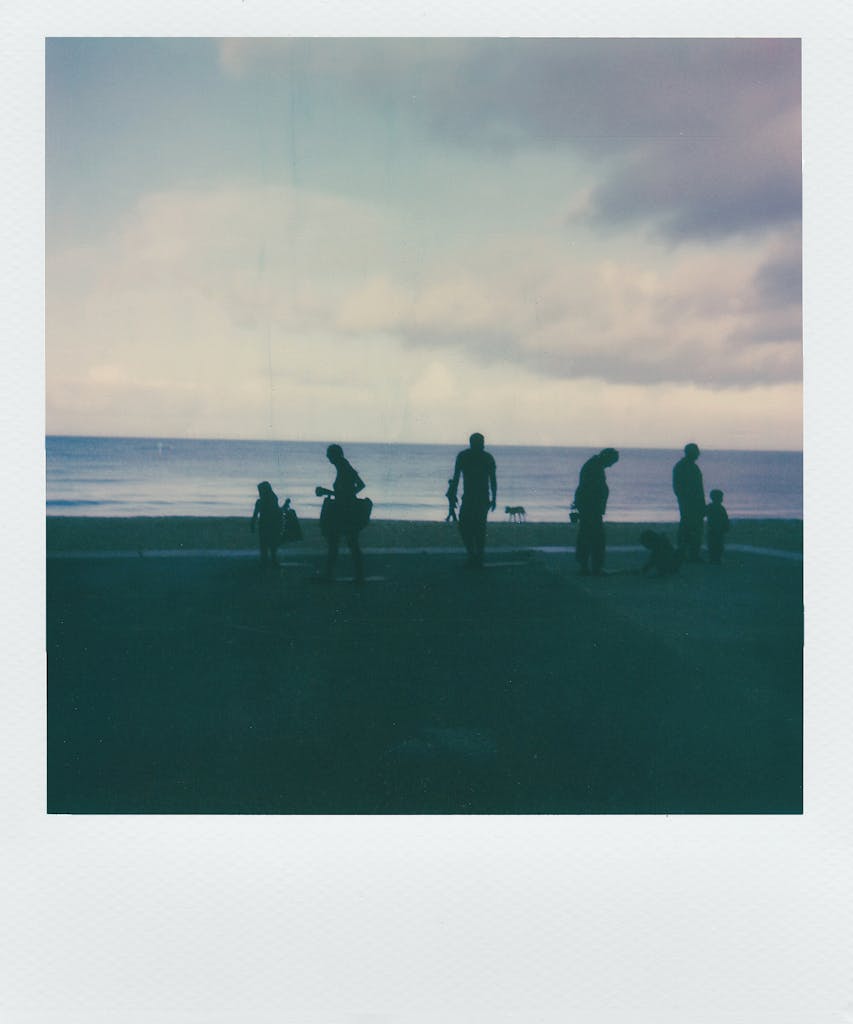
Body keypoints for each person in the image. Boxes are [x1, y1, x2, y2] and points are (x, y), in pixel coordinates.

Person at [315, 444, 368, 583]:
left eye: (329, 454)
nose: (327, 457)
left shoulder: (344, 468)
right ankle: (357, 575)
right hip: (347, 509)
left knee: (338, 542)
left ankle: (331, 575)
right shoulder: (345, 467)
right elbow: (360, 486)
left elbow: (346, 492)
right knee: (349, 543)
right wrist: (349, 496)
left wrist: (328, 492)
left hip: (344, 511)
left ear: (335, 455)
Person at [448, 432, 497, 567]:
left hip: (479, 498)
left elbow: (492, 480)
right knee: (469, 526)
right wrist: (452, 495)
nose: (483, 445)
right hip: (473, 498)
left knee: (476, 527)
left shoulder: (477, 457)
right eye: (481, 442)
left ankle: (476, 555)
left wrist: (494, 498)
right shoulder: (471, 457)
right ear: (475, 443)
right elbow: (457, 477)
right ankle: (474, 554)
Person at [571, 448, 619, 576]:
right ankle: (593, 567)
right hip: (591, 508)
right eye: (612, 462)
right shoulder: (594, 467)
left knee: (587, 536)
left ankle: (587, 566)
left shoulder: (593, 465)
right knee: (595, 538)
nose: (611, 465)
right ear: (606, 457)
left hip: (590, 508)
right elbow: (589, 489)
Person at [673, 442, 706, 562]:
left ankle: (689, 553)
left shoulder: (688, 466)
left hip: (691, 503)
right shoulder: (684, 466)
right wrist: (687, 500)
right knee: (690, 528)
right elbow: (679, 487)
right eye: (696, 451)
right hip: (690, 504)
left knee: (690, 528)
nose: (698, 454)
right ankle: (688, 554)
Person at [250, 480, 283, 568]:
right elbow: (278, 511)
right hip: (271, 525)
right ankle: (272, 561)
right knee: (272, 544)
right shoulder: (272, 499)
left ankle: (266, 561)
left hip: (265, 525)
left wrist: (252, 524)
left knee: (265, 544)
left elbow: (255, 514)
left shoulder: (261, 502)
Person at [705, 489, 730, 565]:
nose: (722, 499)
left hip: (713, 529)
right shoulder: (721, 508)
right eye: (721, 497)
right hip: (716, 529)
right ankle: (715, 558)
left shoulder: (710, 507)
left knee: (714, 544)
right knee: (717, 544)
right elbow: (725, 519)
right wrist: (726, 527)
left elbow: (725, 519)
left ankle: (714, 558)